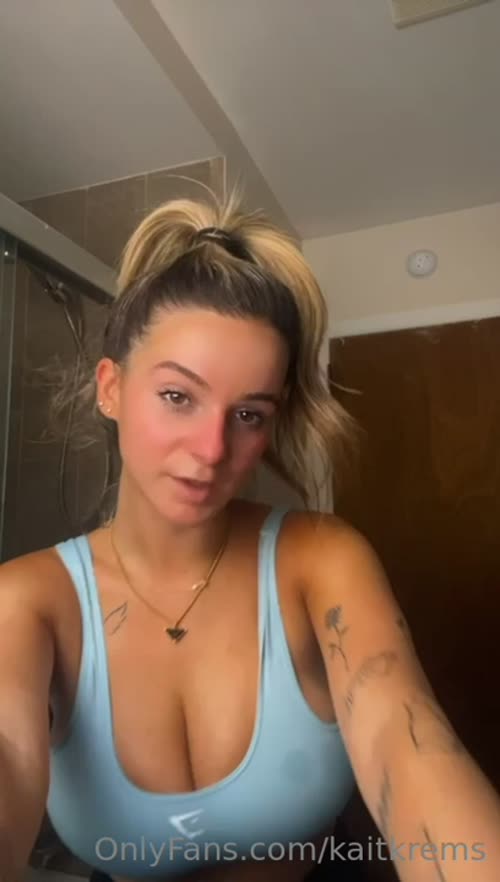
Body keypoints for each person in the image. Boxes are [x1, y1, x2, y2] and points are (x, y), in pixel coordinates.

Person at [1, 191, 499, 882]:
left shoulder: (320, 560)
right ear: (110, 387)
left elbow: (408, 741)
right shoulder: (27, 602)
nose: (212, 450)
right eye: (178, 396)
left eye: (248, 414)